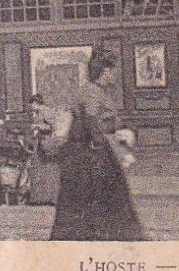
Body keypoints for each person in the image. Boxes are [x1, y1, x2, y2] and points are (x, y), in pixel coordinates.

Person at [50, 47, 146, 240]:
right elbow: (91, 120)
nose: (115, 74)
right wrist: (100, 144)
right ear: (105, 72)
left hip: (94, 152)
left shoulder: (97, 91)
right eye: (113, 70)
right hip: (88, 156)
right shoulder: (92, 92)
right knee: (98, 197)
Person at [22, 94, 61, 206]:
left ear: (36, 103)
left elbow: (53, 126)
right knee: (38, 168)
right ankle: (40, 198)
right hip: (40, 143)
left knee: (48, 169)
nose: (31, 107)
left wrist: (38, 127)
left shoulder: (46, 111)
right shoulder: (38, 113)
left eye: (32, 105)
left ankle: (50, 197)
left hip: (46, 143)